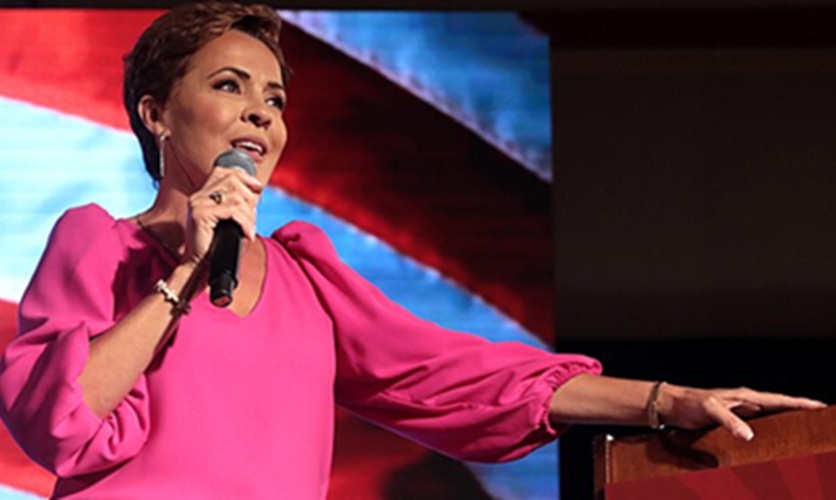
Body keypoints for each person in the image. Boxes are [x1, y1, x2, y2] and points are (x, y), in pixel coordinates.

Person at [0, 3, 824, 498]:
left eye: (275, 99)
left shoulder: (306, 278)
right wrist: (187, 271)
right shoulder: (100, 244)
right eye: (228, 86)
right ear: (154, 113)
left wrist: (667, 399)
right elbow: (58, 419)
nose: (261, 113)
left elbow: (459, 376)